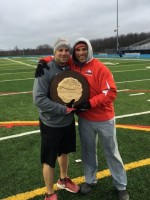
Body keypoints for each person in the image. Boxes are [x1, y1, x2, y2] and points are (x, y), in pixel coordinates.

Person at [35, 37, 129, 200]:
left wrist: (90, 103)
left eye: (83, 49)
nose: (80, 53)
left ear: (89, 49)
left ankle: (121, 185)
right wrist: (44, 59)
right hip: (84, 119)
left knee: (111, 152)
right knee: (88, 152)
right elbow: (58, 56)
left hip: (103, 118)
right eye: (77, 50)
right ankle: (90, 180)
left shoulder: (100, 68)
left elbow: (111, 92)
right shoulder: (72, 65)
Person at [33, 38, 80, 200]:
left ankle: (63, 179)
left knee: (64, 152)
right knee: (49, 159)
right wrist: (63, 109)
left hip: (67, 122)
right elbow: (38, 99)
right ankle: (49, 193)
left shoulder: (71, 66)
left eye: (67, 50)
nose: (64, 53)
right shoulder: (45, 68)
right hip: (51, 123)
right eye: (60, 50)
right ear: (54, 52)